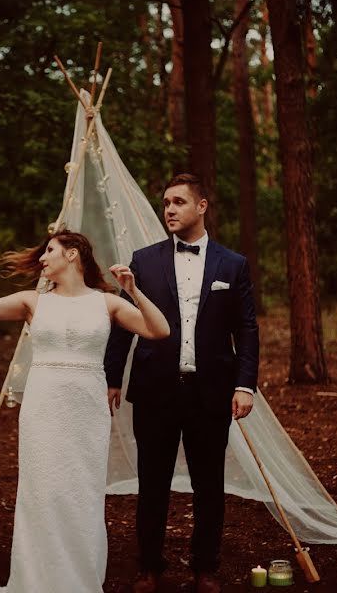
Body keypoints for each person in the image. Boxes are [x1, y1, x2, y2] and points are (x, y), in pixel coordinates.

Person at [0, 230, 169, 593]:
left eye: (49, 251)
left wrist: (133, 290)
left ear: (73, 255)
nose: (42, 258)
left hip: (86, 411)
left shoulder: (107, 304)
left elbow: (159, 330)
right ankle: (37, 581)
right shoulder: (32, 302)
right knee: (42, 493)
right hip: (44, 408)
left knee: (81, 495)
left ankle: (78, 582)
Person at [104, 173, 260, 593]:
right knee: (151, 482)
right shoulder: (143, 260)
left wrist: (245, 385)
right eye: (166, 203)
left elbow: (246, 329)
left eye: (178, 202)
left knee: (209, 484)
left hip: (210, 391)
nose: (169, 209)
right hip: (155, 389)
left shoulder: (233, 264)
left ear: (202, 206)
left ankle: (205, 567)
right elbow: (122, 323)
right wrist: (112, 377)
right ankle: (149, 566)